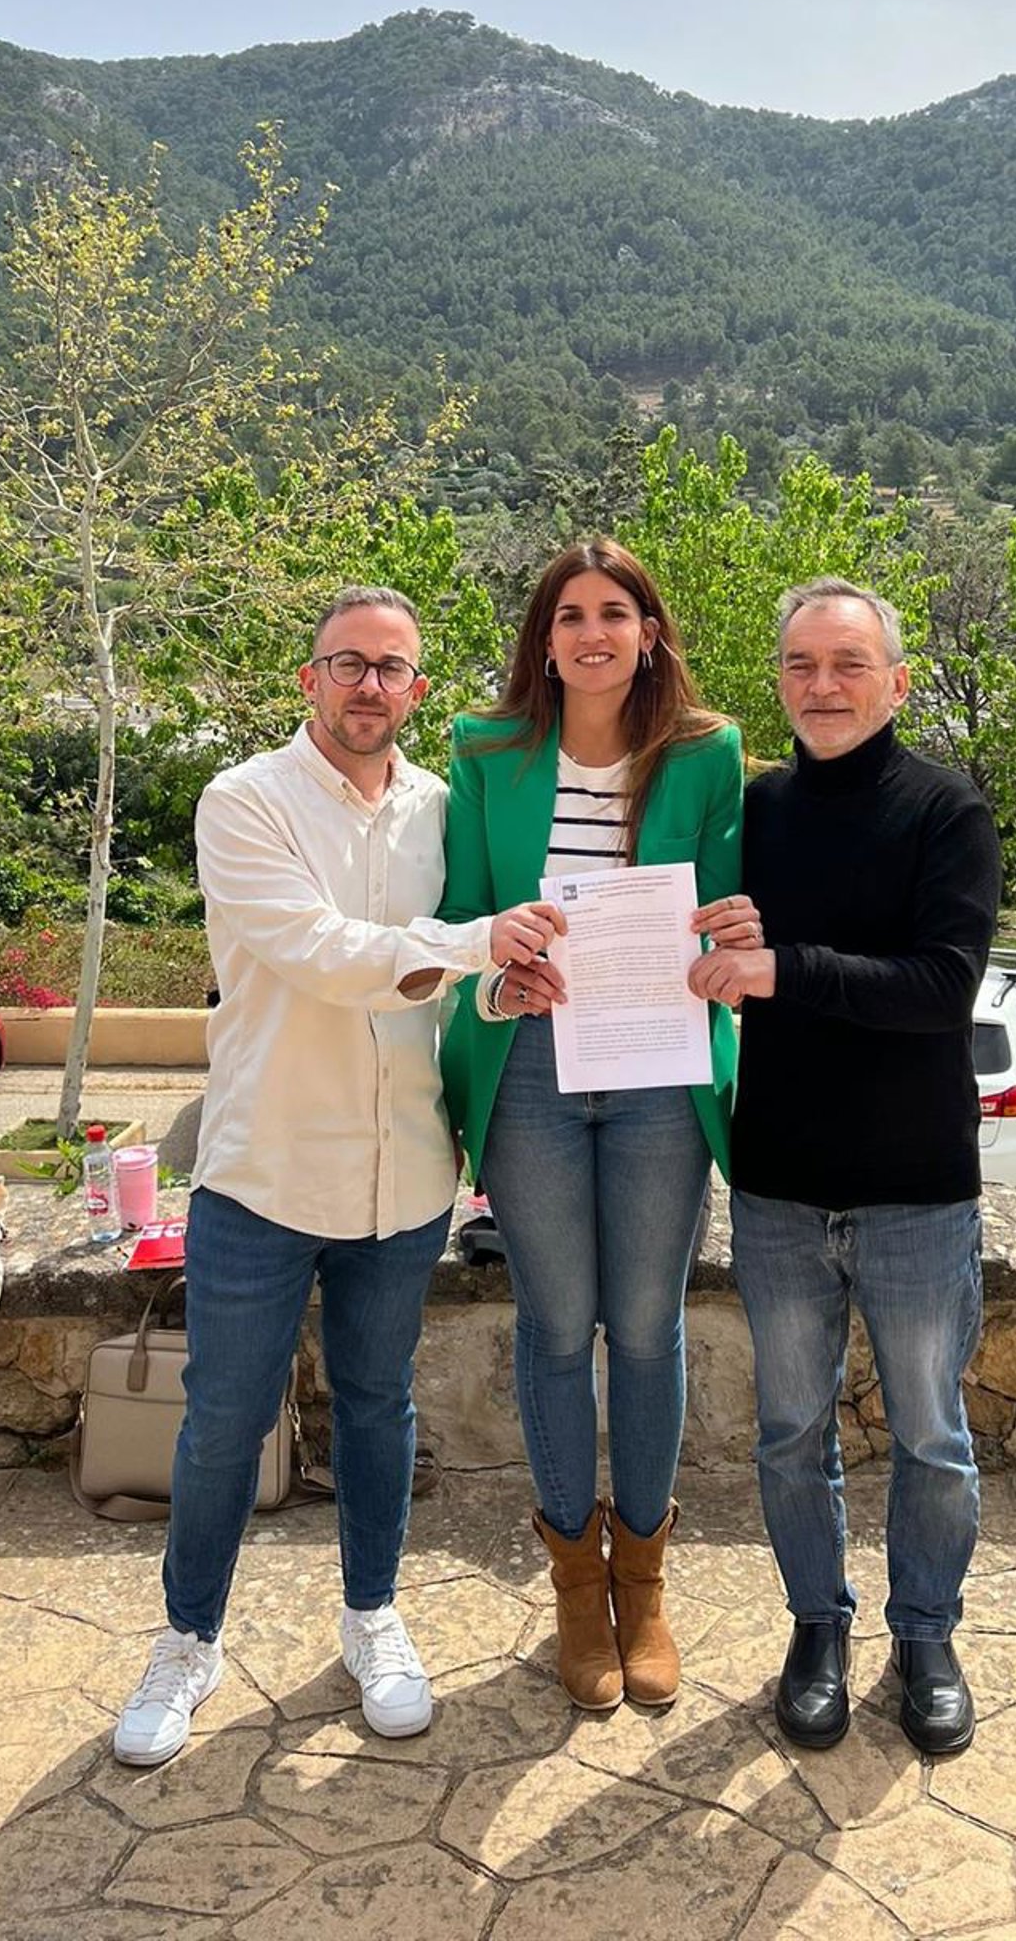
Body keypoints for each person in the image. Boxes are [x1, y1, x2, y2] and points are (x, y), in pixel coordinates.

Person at [113, 586, 565, 1767]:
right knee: (224, 1420)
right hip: (264, 1170)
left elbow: (451, 986)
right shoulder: (244, 800)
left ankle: (372, 1617)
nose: (370, 684)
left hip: (405, 1174)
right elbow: (319, 951)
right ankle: (188, 1639)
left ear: (418, 688)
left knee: (377, 1407)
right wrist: (474, 945)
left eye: (392, 667)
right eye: (348, 662)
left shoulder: (444, 809)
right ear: (310, 678)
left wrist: (503, 985)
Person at [690, 579, 1001, 1758]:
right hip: (777, 1183)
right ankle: (817, 1626)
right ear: (778, 679)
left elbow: (942, 990)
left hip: (916, 1188)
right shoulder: (754, 812)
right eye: (802, 664)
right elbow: (699, 933)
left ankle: (925, 1637)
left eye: (848, 663)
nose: (823, 685)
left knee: (931, 1436)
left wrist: (783, 967)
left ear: (897, 682)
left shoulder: (946, 810)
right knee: (788, 1434)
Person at [439, 540, 744, 1714]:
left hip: (661, 1070)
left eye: (615, 611)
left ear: (648, 631)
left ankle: (644, 1580)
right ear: (546, 638)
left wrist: (728, 941)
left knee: (650, 1328)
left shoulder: (709, 753)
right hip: (530, 1072)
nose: (593, 632)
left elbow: (731, 912)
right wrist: (495, 977)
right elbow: (461, 914)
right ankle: (577, 1582)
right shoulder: (486, 749)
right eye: (570, 614)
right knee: (559, 1327)